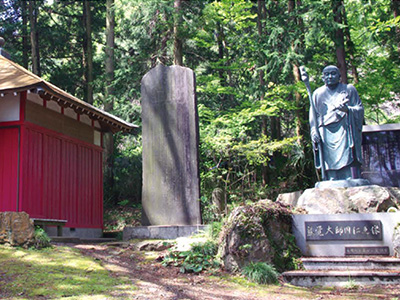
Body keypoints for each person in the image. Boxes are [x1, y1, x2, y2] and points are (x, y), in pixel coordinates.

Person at [310, 65, 364, 181]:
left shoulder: (349, 89)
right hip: (325, 130)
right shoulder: (317, 93)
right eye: (327, 74)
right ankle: (331, 178)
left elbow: (359, 109)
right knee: (328, 157)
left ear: (339, 76)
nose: (330, 76)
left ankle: (349, 176)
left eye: (333, 73)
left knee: (347, 153)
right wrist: (314, 130)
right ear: (322, 77)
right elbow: (313, 117)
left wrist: (347, 110)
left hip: (344, 127)